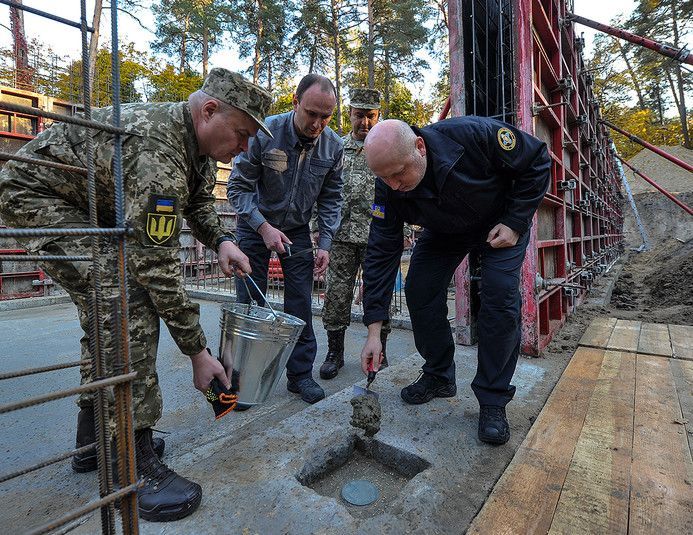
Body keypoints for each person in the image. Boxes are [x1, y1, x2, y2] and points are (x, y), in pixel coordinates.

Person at [0, 68, 271, 521]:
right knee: (125, 301)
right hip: (37, 195)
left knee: (110, 303)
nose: (243, 148)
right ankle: (132, 461)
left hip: (89, 203)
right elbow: (157, 267)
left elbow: (199, 203)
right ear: (209, 111)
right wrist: (198, 352)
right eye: (241, 134)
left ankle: (96, 442)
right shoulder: (159, 151)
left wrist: (222, 240)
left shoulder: (197, 143)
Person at [359, 118, 550, 445]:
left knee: (499, 293)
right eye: (384, 177)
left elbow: (537, 160)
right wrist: (374, 330)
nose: (393, 185)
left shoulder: (473, 136)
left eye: (398, 174)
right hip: (445, 230)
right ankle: (439, 375)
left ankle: (492, 399)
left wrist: (516, 221)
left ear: (420, 147)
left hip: (500, 224)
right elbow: (381, 249)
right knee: (419, 287)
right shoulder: (388, 186)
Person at [228, 74, 343, 404]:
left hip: (296, 230)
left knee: (300, 304)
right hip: (254, 226)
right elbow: (238, 187)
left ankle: (300, 375)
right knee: (250, 303)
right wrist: (263, 227)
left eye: (326, 116)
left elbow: (332, 198)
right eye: (311, 113)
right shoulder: (266, 133)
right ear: (295, 102)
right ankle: (241, 382)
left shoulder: (333, 146)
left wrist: (325, 243)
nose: (317, 123)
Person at [319, 87, 394, 380]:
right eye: (359, 115)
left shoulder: (387, 147)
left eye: (371, 116)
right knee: (336, 296)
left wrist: (402, 230)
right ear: (349, 114)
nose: (364, 122)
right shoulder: (336, 148)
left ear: (378, 116)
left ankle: (380, 351)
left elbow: (400, 190)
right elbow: (323, 191)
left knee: (379, 294)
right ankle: (334, 354)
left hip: (377, 237)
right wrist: (320, 229)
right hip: (341, 237)